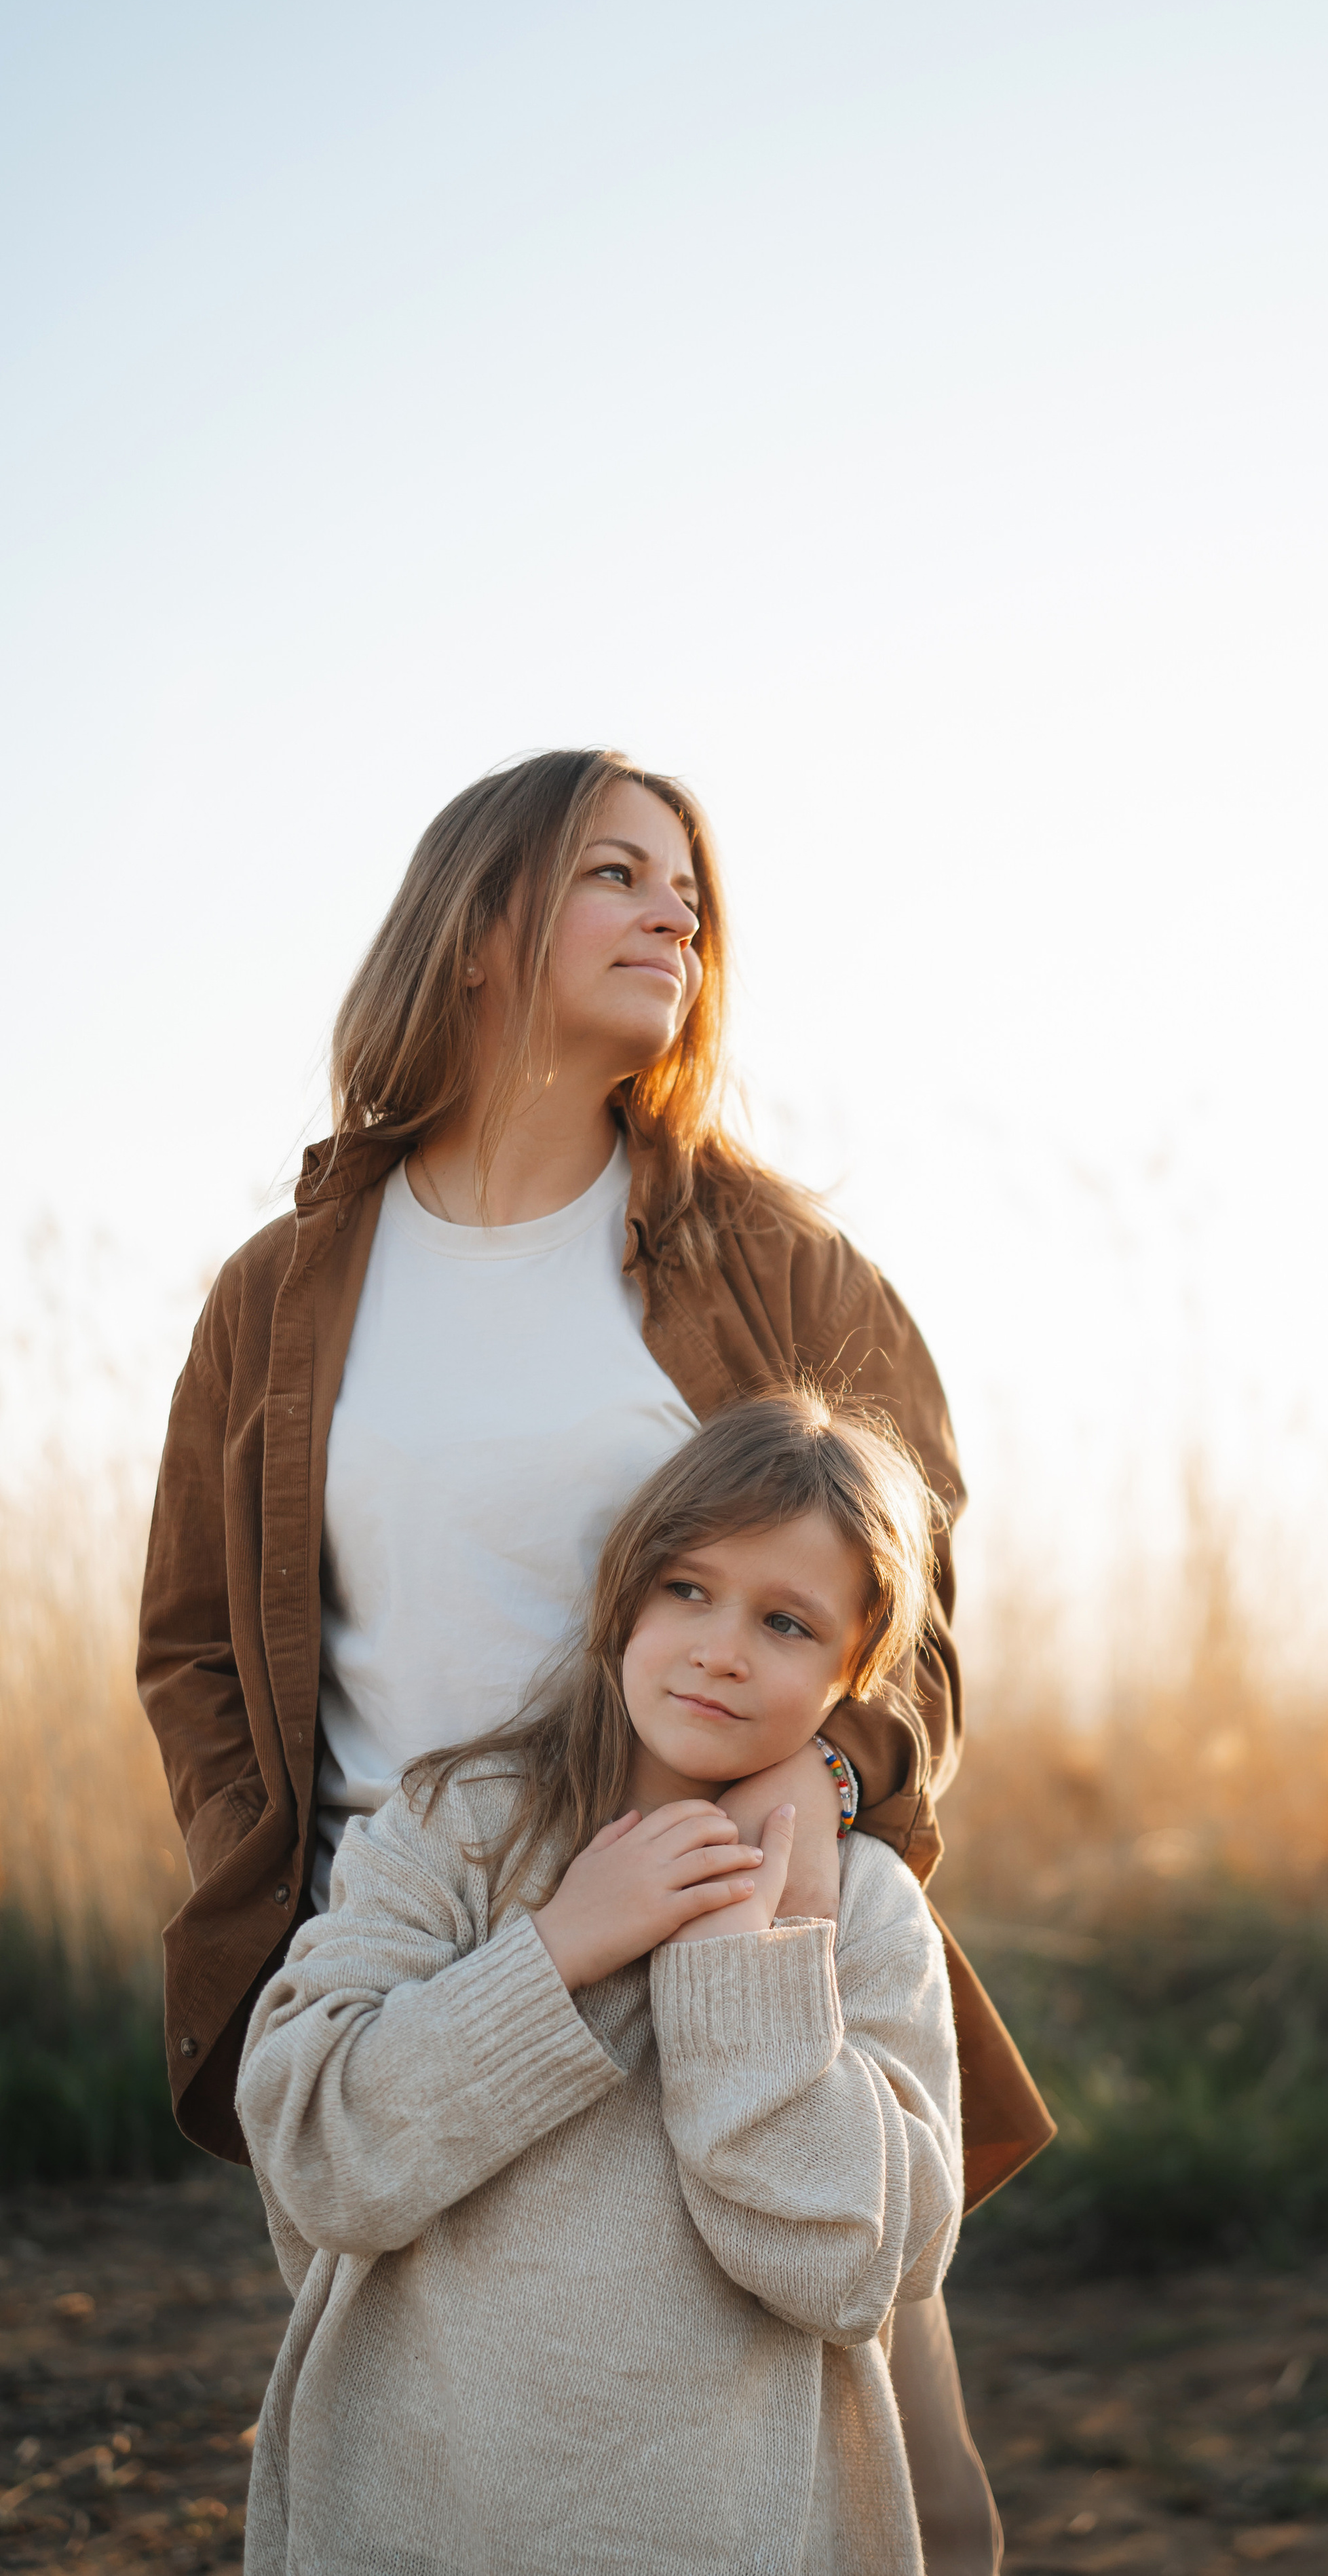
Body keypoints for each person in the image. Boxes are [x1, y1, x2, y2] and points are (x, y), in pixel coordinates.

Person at [137, 747, 1052, 2572]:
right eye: (617, 874)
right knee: (432, 2475)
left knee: (891, 2492)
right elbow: (192, 1647)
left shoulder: (773, 1264)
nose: (674, 916)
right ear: (481, 921)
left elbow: (915, 1614)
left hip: (734, 1917)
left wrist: (823, 1788)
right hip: (421, 1946)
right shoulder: (283, 1288)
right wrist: (291, 1893)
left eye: (689, 894)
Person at [238, 1392, 964, 2575]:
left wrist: (741, 1970)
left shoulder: (864, 1910)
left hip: (732, 2531)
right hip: (430, 2514)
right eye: (688, 1589)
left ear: (853, 1671)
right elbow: (315, 2151)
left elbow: (857, 2268)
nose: (722, 1649)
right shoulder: (454, 1831)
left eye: (787, 1623)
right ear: (624, 1596)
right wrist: (560, 1947)